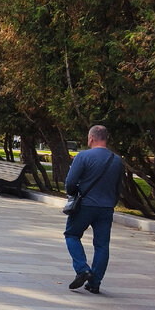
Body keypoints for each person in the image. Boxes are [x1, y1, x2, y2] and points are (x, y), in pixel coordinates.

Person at [64, 124, 124, 294]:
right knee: (102, 245)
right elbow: (119, 187)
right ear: (106, 139)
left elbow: (70, 183)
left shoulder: (83, 156)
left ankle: (82, 269)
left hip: (85, 205)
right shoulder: (117, 160)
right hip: (106, 208)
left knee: (72, 235)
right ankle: (95, 282)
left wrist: (73, 194)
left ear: (91, 138)